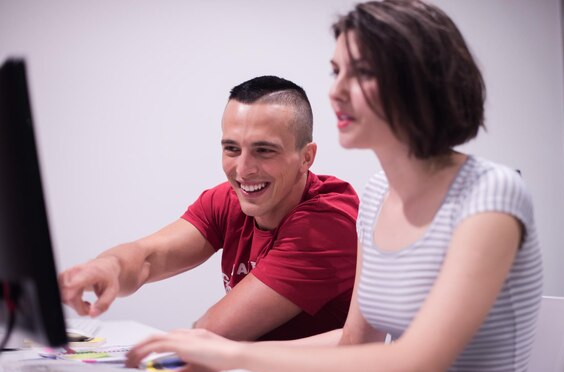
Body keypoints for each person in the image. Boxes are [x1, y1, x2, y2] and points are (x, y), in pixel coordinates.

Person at [126, 1, 544, 372]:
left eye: (361, 73)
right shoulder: (379, 193)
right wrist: (221, 354)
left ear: (421, 81)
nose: (335, 91)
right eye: (336, 70)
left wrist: (235, 358)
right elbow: (356, 345)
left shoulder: (492, 193)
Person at [60, 75, 359, 341]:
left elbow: (211, 333)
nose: (243, 170)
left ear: (306, 158)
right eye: (232, 148)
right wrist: (107, 267)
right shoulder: (229, 200)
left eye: (264, 150)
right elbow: (149, 258)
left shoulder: (328, 222)